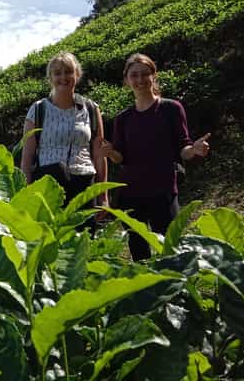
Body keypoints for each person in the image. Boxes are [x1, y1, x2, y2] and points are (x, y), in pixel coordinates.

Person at [101, 53, 211, 260]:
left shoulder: (171, 108)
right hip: (131, 194)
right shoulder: (123, 119)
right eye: (134, 75)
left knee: (170, 250)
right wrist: (109, 153)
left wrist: (194, 150)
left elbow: (183, 148)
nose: (140, 80)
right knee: (139, 254)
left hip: (163, 190)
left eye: (144, 74)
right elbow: (121, 158)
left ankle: (176, 292)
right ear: (127, 81)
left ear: (154, 76)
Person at [20, 51, 108, 206]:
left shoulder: (91, 109)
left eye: (68, 72)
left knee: (85, 230)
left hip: (84, 182)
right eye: (57, 73)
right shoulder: (38, 109)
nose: (63, 78)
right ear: (50, 78)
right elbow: (27, 158)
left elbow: (99, 155)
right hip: (48, 185)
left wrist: (103, 196)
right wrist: (28, 194)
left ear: (77, 75)